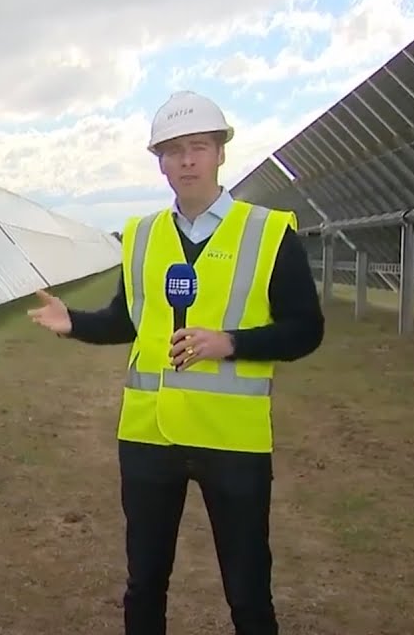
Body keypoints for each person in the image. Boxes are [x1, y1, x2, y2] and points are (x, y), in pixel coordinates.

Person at [27, 91, 324, 635]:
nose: (186, 161)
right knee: (144, 583)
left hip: (232, 440)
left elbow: (307, 329)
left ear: (220, 153)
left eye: (198, 147)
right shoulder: (141, 236)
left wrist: (231, 343)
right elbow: (128, 321)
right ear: (160, 162)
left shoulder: (268, 232)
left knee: (248, 591)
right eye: (172, 151)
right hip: (148, 436)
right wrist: (74, 322)